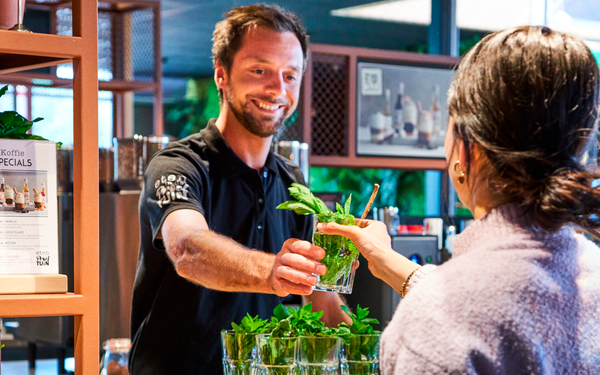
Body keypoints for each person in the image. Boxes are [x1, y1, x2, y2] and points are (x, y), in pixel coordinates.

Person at [318, 26, 600, 374]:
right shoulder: (591, 270)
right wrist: (390, 263)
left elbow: (465, 307)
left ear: (467, 151)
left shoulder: (436, 319)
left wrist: (430, 298)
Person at [129, 5, 349, 374]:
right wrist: (272, 271)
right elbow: (187, 248)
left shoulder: (293, 183)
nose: (277, 89)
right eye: (259, 70)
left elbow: (322, 301)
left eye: (290, 75)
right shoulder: (178, 165)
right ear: (222, 76)